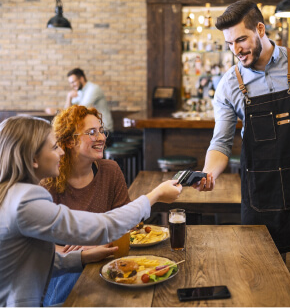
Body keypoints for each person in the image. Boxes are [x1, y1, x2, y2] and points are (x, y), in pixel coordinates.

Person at [194, 0, 290, 289]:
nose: (236, 49)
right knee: (263, 283)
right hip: (261, 195)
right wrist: (209, 173)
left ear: (260, 29)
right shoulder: (229, 85)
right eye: (230, 43)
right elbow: (221, 143)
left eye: (241, 39)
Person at [0, 115, 182, 307]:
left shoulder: (10, 194)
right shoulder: (25, 201)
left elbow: (31, 262)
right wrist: (154, 196)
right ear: (34, 159)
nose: (61, 152)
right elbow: (104, 226)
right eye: (54, 147)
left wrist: (83, 257)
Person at [41, 105, 131, 305]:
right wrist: (80, 255)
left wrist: (96, 244)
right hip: (60, 271)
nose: (101, 138)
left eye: (101, 130)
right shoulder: (48, 180)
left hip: (105, 262)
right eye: (92, 132)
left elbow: (126, 225)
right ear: (70, 141)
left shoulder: (110, 171)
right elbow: (37, 246)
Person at [65, 68, 114, 132]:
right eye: (70, 83)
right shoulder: (80, 91)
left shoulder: (93, 89)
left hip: (104, 130)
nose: (72, 85)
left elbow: (80, 109)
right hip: (93, 130)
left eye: (73, 82)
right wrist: (69, 97)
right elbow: (67, 112)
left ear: (81, 79)